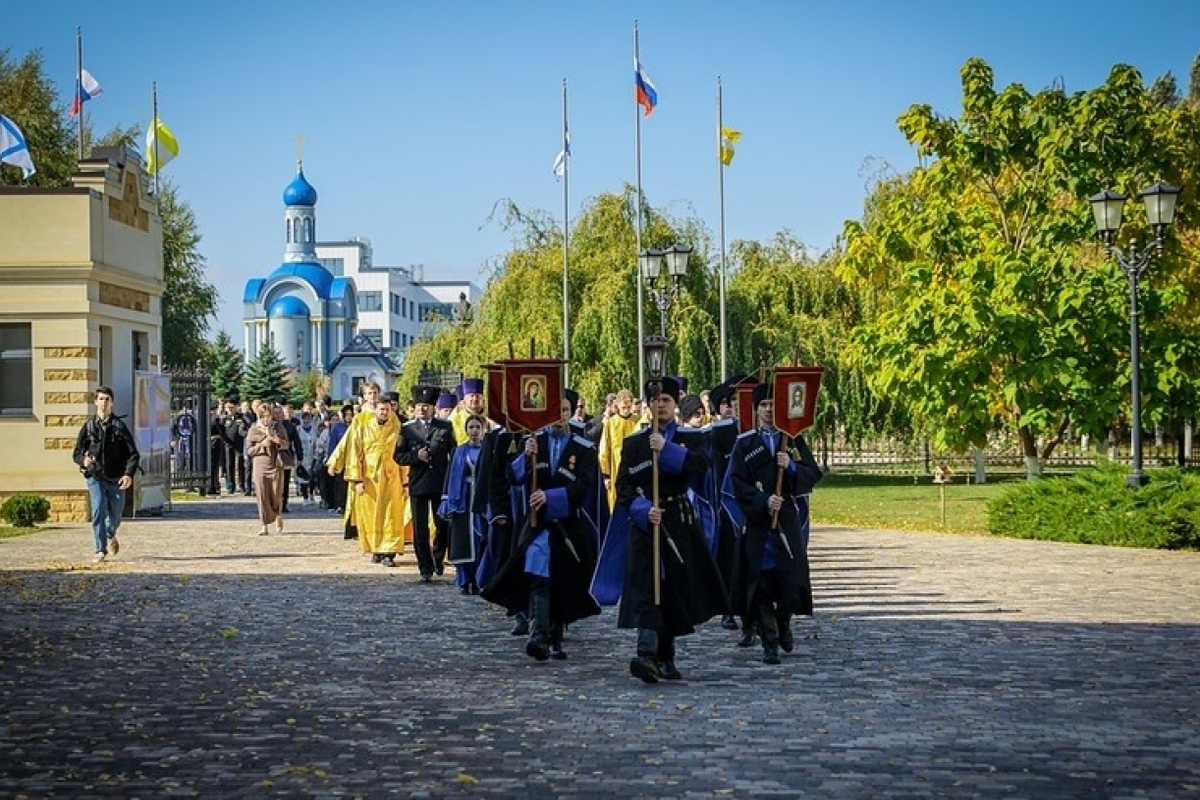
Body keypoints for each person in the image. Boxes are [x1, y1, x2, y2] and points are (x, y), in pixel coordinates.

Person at [615, 377, 727, 683]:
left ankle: (665, 655)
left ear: (675, 404)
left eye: (666, 399)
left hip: (676, 520)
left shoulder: (691, 438)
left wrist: (667, 450)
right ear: (647, 405)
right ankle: (645, 654)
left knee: (671, 587)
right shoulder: (633, 443)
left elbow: (701, 466)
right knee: (646, 585)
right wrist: (642, 509)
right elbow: (624, 486)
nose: (660, 405)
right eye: (655, 400)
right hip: (645, 522)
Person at [481, 389, 602, 661]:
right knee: (538, 572)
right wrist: (525, 457)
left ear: (571, 413)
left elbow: (582, 487)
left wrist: (551, 497)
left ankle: (556, 633)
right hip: (539, 524)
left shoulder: (584, 448)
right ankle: (538, 634)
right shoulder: (535, 442)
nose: (560, 417)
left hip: (569, 525)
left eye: (565, 411)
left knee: (562, 576)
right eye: (555, 411)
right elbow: (513, 477)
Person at [727, 382, 822, 665]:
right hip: (759, 522)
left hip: (787, 520)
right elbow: (737, 482)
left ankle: (783, 622)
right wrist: (763, 500)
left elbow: (812, 473)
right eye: (763, 405)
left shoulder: (791, 440)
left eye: (772, 404)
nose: (768, 409)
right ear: (756, 410)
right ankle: (769, 642)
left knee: (790, 582)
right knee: (761, 586)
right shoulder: (745, 444)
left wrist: (790, 466)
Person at [394, 385, 456, 582]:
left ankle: (438, 557)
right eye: (419, 406)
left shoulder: (445, 426)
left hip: (440, 482)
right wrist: (415, 456)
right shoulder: (407, 428)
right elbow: (398, 456)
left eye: (426, 406)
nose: (422, 409)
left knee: (443, 525)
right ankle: (425, 567)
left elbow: (453, 454)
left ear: (433, 407)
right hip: (418, 483)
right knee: (420, 529)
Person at [72, 386, 140, 562]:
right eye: (101, 399)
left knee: (116, 515)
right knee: (98, 509)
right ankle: (100, 549)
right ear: (95, 402)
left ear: (112, 403)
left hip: (116, 478)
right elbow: (77, 453)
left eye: (107, 399)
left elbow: (133, 454)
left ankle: (110, 533)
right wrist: (84, 461)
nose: (104, 403)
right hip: (95, 476)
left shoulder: (119, 426)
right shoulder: (89, 426)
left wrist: (128, 474)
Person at [343, 395, 405, 566]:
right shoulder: (363, 427)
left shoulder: (397, 427)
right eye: (382, 409)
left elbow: (403, 454)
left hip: (392, 478)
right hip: (370, 478)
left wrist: (405, 481)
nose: (385, 412)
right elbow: (355, 453)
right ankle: (376, 549)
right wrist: (357, 480)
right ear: (376, 410)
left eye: (388, 409)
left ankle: (389, 552)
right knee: (371, 515)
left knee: (391, 515)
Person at [439, 413, 488, 593]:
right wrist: (447, 500)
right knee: (463, 541)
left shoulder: (489, 451)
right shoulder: (459, 451)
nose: (474, 431)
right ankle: (463, 580)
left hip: (481, 499)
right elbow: (450, 476)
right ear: (466, 430)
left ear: (483, 430)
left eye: (477, 427)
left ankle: (479, 579)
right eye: (471, 427)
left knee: (480, 539)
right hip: (463, 500)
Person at [245, 399, 291, 535]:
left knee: (276, 494)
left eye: (268, 416)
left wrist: (276, 440)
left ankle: (278, 514)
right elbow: (249, 451)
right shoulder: (254, 429)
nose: (266, 419)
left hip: (275, 464)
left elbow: (286, 444)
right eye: (263, 417)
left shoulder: (278, 428)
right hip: (260, 465)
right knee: (262, 495)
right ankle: (264, 525)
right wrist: (261, 445)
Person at [598, 389, 640, 512]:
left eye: (628, 407)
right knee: (616, 503)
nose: (626, 410)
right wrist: (606, 475)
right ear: (617, 405)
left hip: (634, 467)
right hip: (615, 468)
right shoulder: (611, 423)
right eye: (623, 407)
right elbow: (604, 449)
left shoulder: (637, 421)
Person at [221, 399, 247, 495]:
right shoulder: (224, 418)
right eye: (228, 408)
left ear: (236, 407)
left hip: (239, 443)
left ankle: (242, 484)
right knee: (229, 464)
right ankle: (230, 486)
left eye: (232, 408)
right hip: (228, 443)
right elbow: (221, 430)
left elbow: (246, 426)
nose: (230, 410)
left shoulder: (241, 417)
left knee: (241, 464)